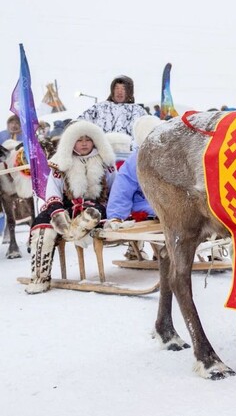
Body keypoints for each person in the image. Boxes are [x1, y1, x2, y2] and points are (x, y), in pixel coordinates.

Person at [25, 121, 115, 294]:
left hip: (95, 207)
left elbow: (115, 189)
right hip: (65, 207)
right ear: (71, 141)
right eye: (79, 139)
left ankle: (72, 233)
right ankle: (39, 277)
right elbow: (53, 191)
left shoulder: (105, 162)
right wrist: (57, 213)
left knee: (92, 213)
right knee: (43, 225)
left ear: (95, 141)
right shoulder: (60, 163)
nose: (83, 143)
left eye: (87, 139)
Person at [106, 116, 163, 223]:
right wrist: (116, 216)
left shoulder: (173, 157)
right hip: (147, 208)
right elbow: (122, 188)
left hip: (172, 208)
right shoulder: (135, 161)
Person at [77, 75, 148, 137]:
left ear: (129, 91)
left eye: (123, 88)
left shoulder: (138, 111)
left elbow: (149, 131)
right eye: (116, 88)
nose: (119, 92)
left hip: (129, 151)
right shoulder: (99, 108)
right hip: (103, 151)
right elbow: (79, 123)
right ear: (112, 90)